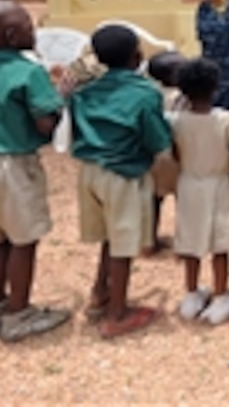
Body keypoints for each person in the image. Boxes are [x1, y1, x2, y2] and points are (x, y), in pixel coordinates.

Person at [0, 0, 71, 342]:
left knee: (1, 240)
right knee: (25, 240)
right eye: (27, 24)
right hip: (14, 165)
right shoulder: (29, 72)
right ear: (12, 35)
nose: (34, 29)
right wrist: (61, 97)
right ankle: (19, 314)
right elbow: (44, 124)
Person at [70, 24, 172, 338]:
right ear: (137, 57)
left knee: (108, 236)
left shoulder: (84, 91)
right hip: (123, 174)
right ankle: (117, 313)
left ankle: (99, 292)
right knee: (124, 243)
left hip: (89, 171)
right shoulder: (145, 93)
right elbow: (156, 139)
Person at [169, 58, 229, 325]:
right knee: (220, 242)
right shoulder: (228, 119)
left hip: (189, 183)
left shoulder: (175, 121)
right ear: (215, 87)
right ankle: (221, 295)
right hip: (219, 182)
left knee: (190, 239)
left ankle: (191, 293)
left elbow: (176, 154)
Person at [144, 52, 188, 256]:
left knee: (153, 199)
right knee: (184, 200)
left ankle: (149, 240)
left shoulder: (149, 93)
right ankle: (184, 244)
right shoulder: (183, 96)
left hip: (153, 156)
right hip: (178, 156)